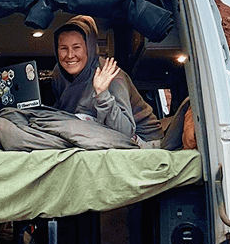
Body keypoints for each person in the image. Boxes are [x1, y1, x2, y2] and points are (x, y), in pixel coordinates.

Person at [51, 15, 163, 146]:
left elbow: (125, 133)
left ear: (90, 48)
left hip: (142, 140)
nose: (70, 55)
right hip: (95, 132)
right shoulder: (59, 73)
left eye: (77, 47)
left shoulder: (111, 75)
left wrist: (102, 95)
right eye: (64, 48)